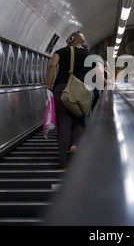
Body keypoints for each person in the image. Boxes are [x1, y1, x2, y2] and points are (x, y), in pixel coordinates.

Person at [46, 31, 98, 168]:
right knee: (79, 122)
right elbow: (98, 75)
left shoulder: (62, 51)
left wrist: (48, 87)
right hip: (82, 92)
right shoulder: (90, 56)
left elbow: (52, 65)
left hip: (62, 89)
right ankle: (75, 145)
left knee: (64, 122)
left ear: (71, 39)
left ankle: (63, 161)